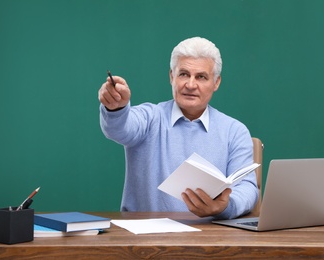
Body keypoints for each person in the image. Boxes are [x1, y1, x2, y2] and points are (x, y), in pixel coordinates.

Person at [98, 37, 258, 219]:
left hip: (212, 238)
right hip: (146, 238)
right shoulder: (150, 117)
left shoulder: (234, 131)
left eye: (201, 77)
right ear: (171, 77)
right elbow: (120, 128)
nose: (190, 85)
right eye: (183, 74)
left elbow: (247, 188)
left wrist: (224, 206)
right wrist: (116, 107)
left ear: (216, 83)